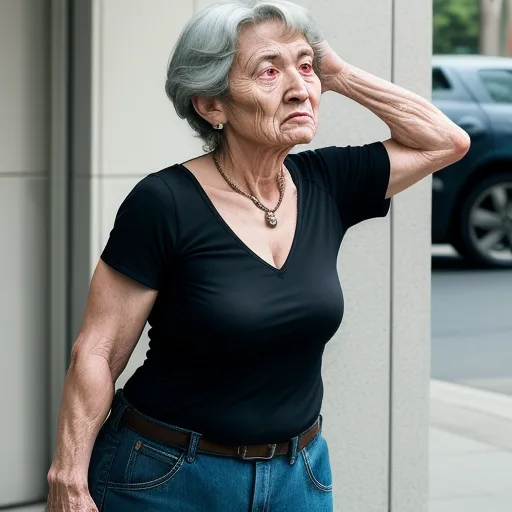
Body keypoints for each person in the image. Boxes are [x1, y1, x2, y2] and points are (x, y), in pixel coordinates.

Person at [45, 1, 470, 511]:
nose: (299, 88)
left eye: (305, 67)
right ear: (211, 105)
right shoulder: (164, 203)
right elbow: (97, 350)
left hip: (299, 476)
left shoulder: (326, 184)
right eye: (269, 71)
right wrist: (68, 476)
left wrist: (335, 73)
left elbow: (446, 141)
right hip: (166, 476)